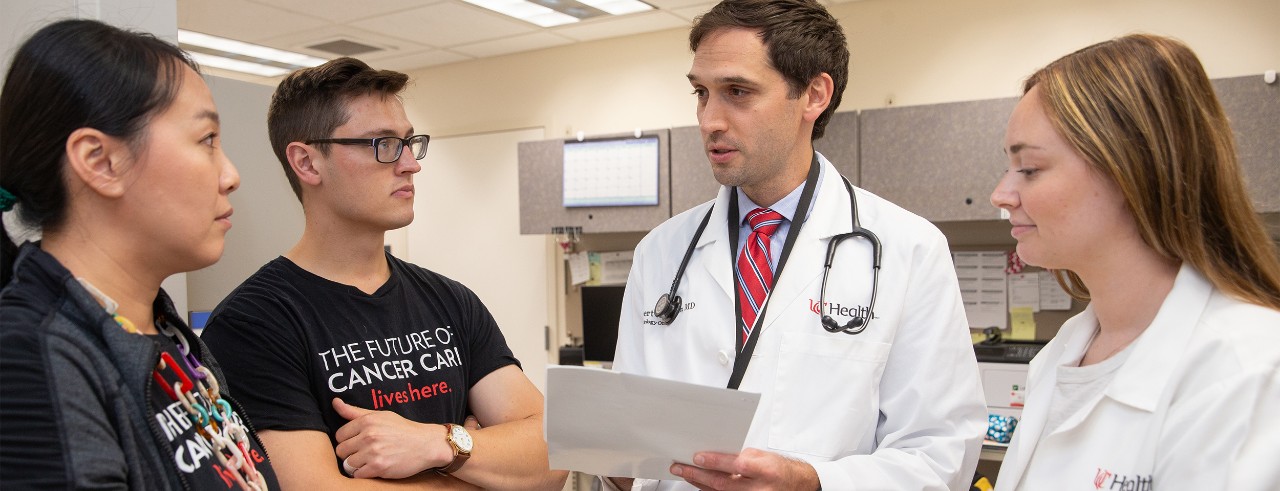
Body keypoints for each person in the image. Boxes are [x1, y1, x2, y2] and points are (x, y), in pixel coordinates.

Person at [609, 0, 988, 489]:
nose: (708, 121)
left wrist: (812, 482)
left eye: (737, 92)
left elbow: (942, 451)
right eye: (701, 93)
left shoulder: (909, 249)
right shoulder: (660, 252)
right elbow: (624, 439)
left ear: (814, 95)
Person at [200, 57, 566, 491]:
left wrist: (438, 443)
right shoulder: (254, 325)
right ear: (307, 162)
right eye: (383, 144)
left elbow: (555, 455)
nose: (411, 164)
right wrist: (480, 471)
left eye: (409, 142)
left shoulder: (450, 301)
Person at [990, 34, 1280, 490]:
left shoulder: (1250, 369)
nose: (1001, 195)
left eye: (1029, 169)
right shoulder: (1066, 350)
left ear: (1130, 167)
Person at [0, 19, 278, 490]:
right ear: (100, 161)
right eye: (206, 140)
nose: (230, 175)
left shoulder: (169, 338)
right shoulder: (30, 360)